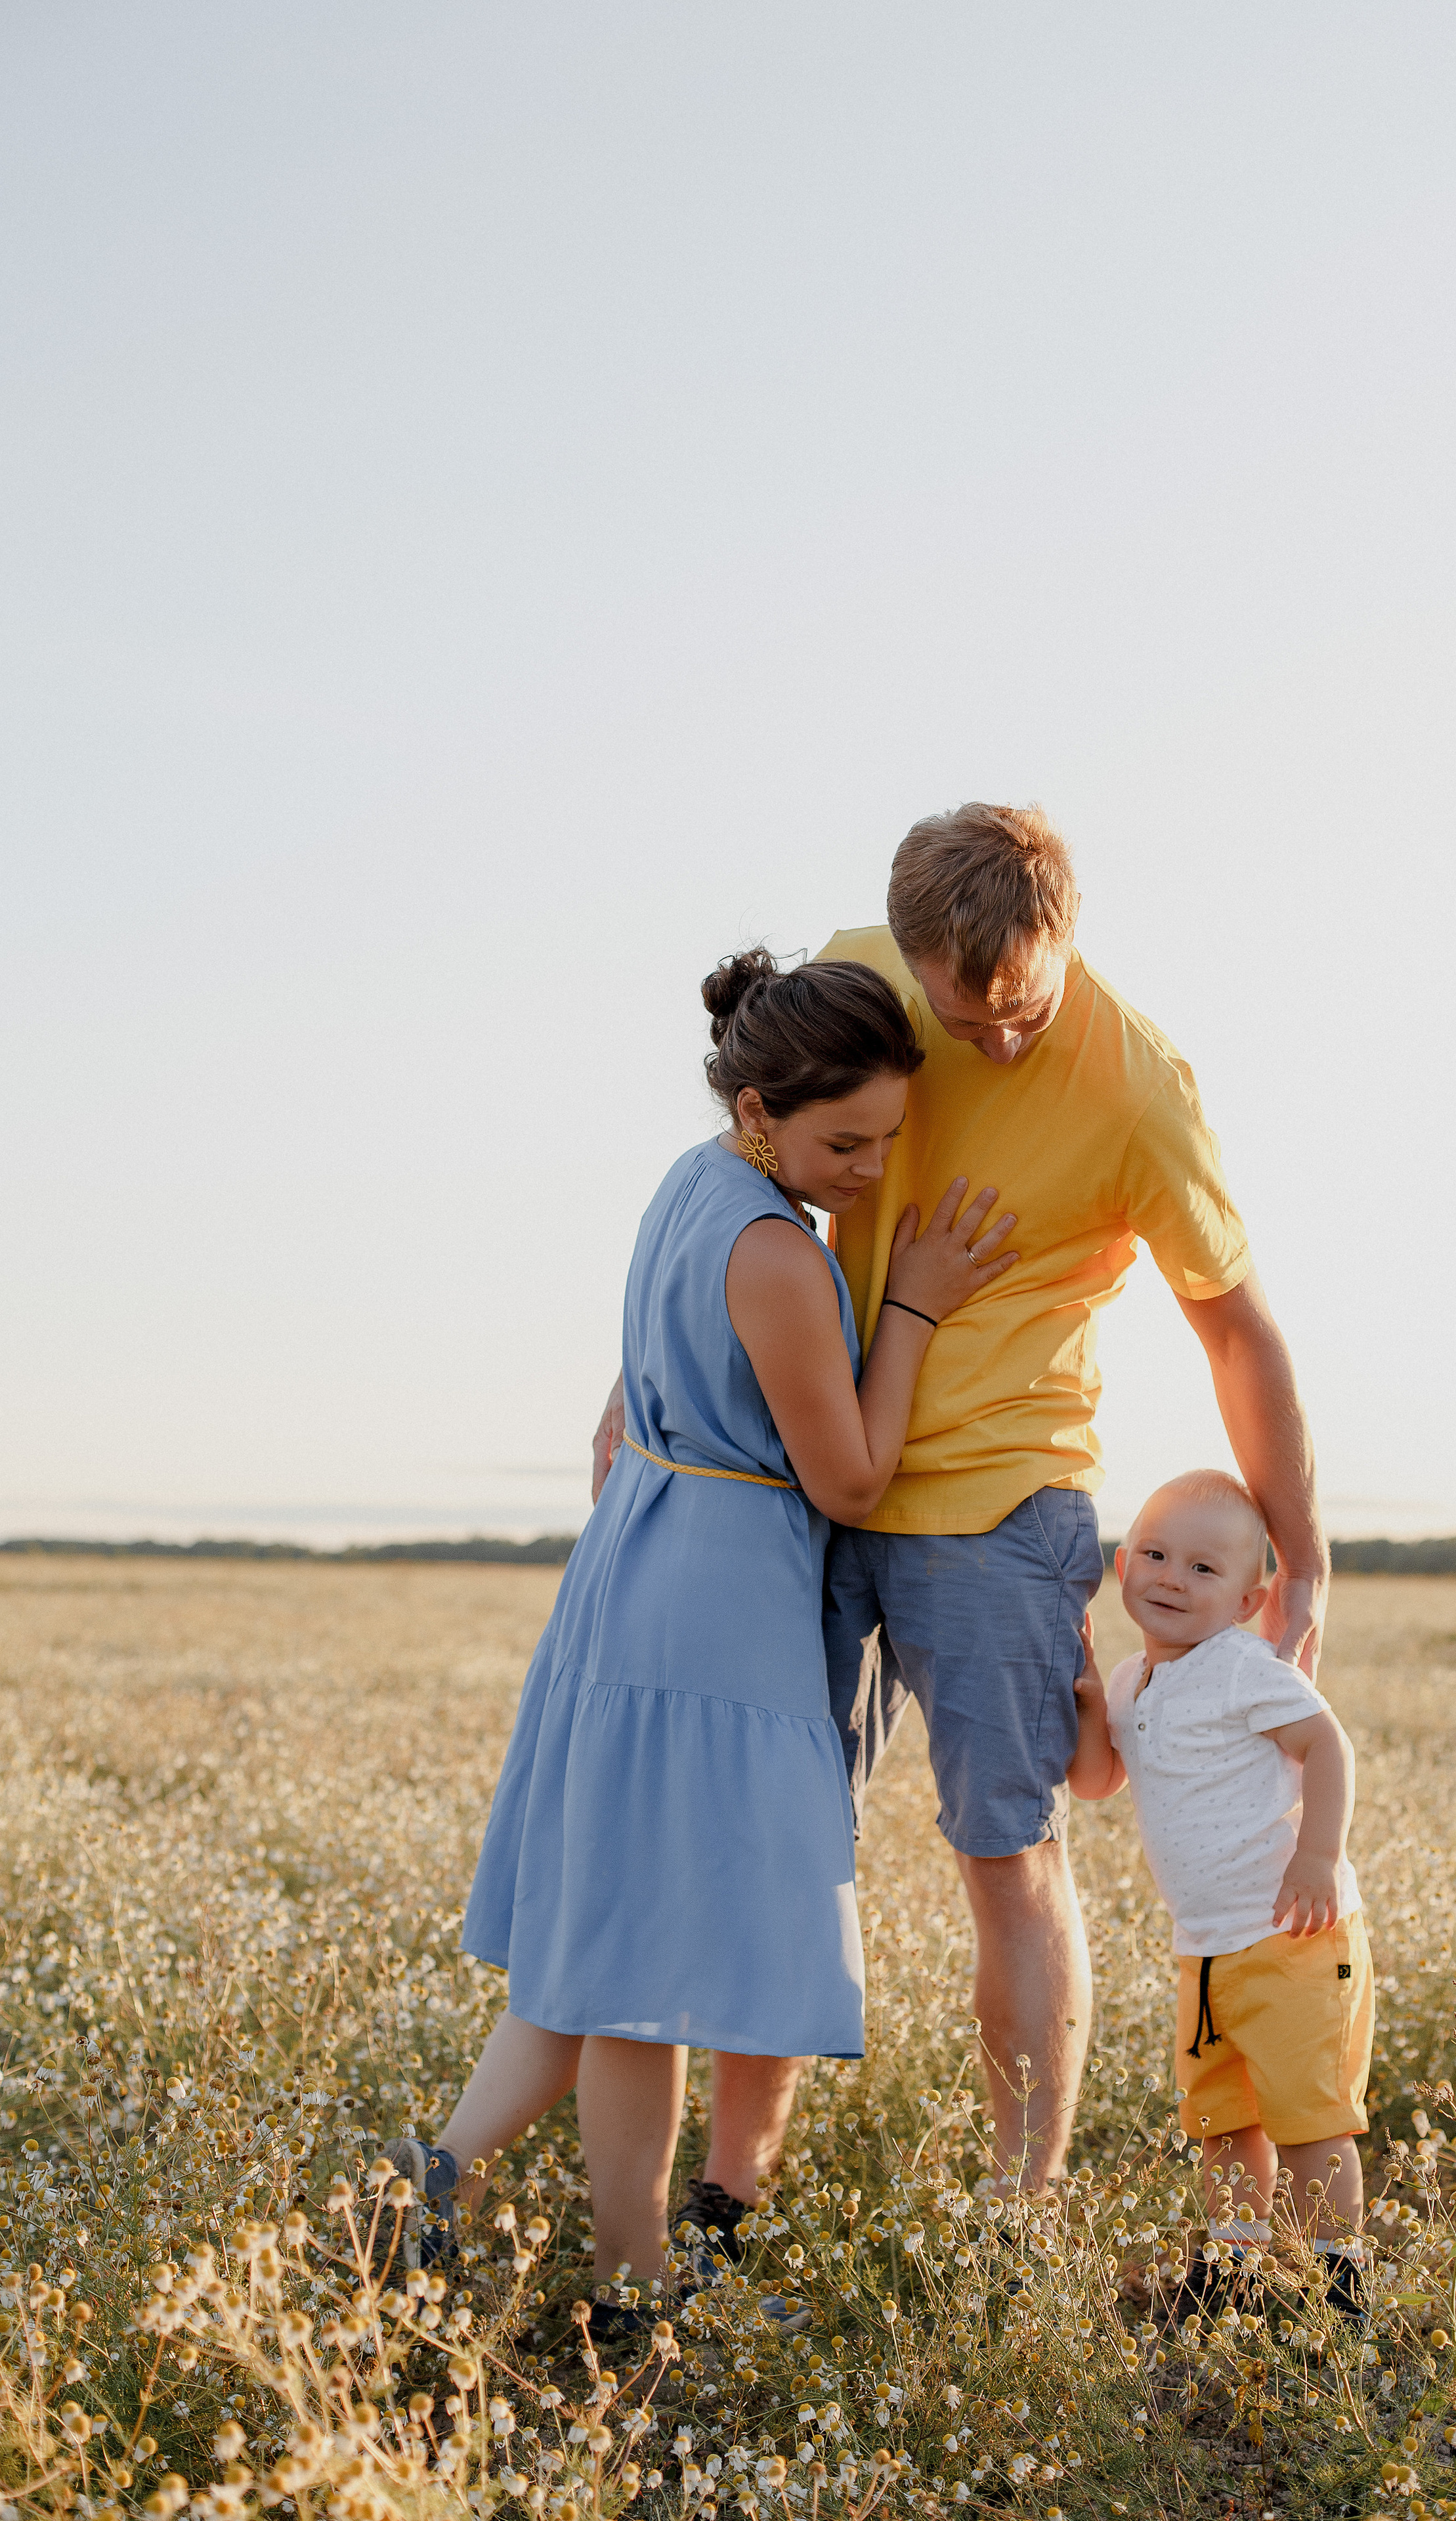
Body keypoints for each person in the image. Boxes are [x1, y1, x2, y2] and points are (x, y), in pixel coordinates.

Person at [596, 802, 1327, 2194]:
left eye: (1020, 1010)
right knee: (770, 1850)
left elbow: (1236, 1326)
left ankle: (1015, 2209)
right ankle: (728, 2198)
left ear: (1060, 938)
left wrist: (1308, 1555)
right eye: (960, 1014)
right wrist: (640, 1378)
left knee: (1007, 1857)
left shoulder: (1136, 1092)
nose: (992, 1039)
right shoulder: (860, 971)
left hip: (998, 1514)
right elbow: (765, 1167)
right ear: (908, 956)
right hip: (802, 1494)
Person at [384, 949, 1017, 2332]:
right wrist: (909, 1303)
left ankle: (432, 2183)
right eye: (841, 1141)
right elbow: (847, 1478)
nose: (865, 1169)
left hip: (639, 1562)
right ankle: (631, 2285)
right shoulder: (775, 1247)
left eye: (887, 1142)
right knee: (652, 1963)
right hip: (716, 1604)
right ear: (758, 1115)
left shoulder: (691, 1184)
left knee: (607, 1932)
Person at [1067, 1468, 1369, 2315]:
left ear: (1248, 1601)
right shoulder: (1134, 1680)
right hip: (1204, 1946)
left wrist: (1318, 1855)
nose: (1173, 1577)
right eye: (1157, 1555)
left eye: (1205, 1569)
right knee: (1224, 2119)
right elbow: (1096, 1781)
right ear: (1123, 1567)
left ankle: (1335, 2283)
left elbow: (1329, 1746)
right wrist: (1091, 1693)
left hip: (1293, 1931)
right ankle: (1236, 2266)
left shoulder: (1242, 1667)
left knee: (1310, 2119)